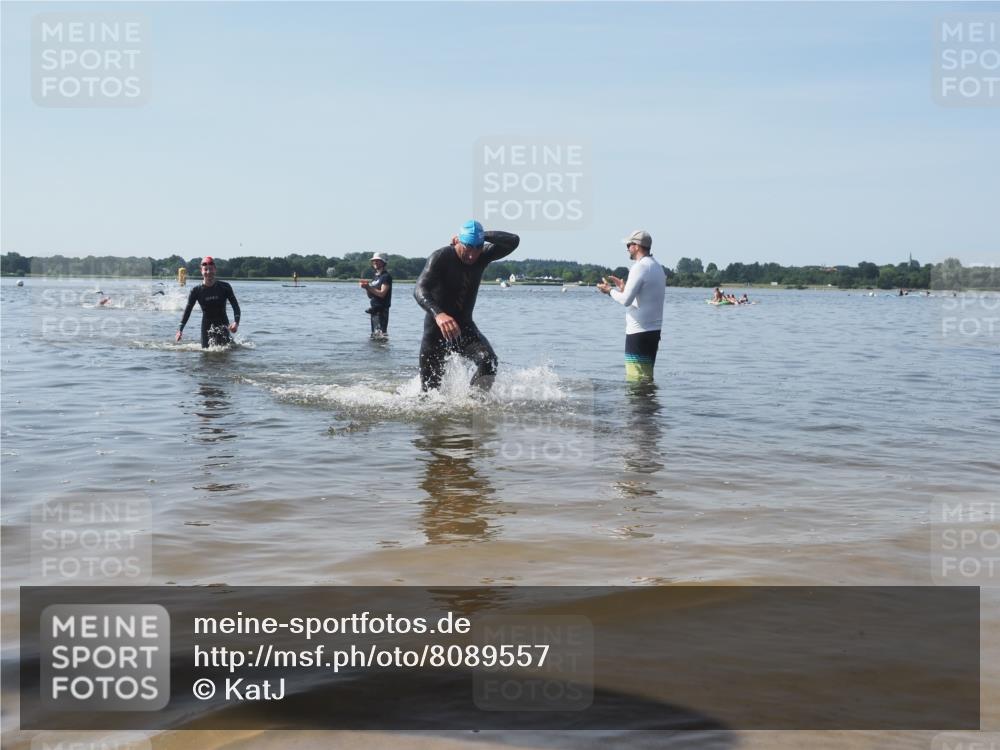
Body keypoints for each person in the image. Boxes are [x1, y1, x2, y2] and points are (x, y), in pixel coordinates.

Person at [413, 220, 520, 391]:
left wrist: (481, 235)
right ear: (459, 241)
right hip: (436, 331)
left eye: (477, 248)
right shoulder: (441, 257)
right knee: (429, 393)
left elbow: (513, 240)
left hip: (464, 329)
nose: (472, 255)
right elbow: (419, 289)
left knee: (488, 361)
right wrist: (439, 314)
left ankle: (474, 404)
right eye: (468, 248)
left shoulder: (483, 256)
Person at [597, 230, 666, 382]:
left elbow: (626, 301)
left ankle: (639, 406)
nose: (627, 248)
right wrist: (624, 289)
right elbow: (644, 299)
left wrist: (610, 291)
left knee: (636, 380)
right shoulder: (657, 267)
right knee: (646, 377)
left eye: (629, 245)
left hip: (638, 332)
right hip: (653, 332)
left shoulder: (639, 267)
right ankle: (648, 405)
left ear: (637, 246)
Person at [175, 256, 241, 348]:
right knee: (206, 354)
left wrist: (236, 323)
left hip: (223, 325)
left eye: (211, 269)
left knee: (227, 352)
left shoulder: (225, 287)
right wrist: (180, 330)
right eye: (205, 270)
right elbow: (188, 310)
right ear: (201, 271)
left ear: (215, 270)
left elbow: (235, 306)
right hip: (206, 327)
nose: (208, 272)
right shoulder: (196, 290)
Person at [360, 252, 392, 339]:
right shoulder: (375, 276)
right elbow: (370, 296)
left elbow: (382, 294)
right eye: (374, 261)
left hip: (382, 310)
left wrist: (368, 287)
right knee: (375, 335)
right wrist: (366, 287)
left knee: (380, 335)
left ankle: (382, 350)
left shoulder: (386, 276)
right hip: (374, 310)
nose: (375, 262)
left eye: (378, 261)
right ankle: (376, 352)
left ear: (383, 262)